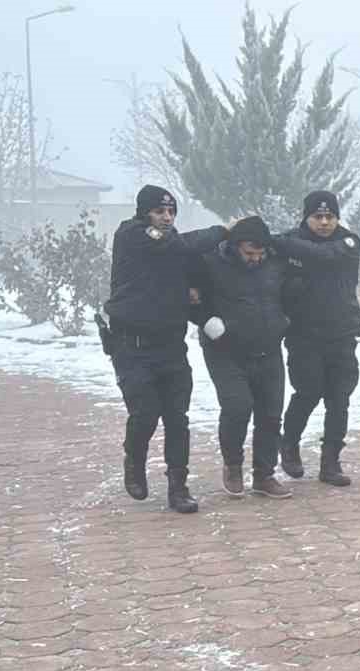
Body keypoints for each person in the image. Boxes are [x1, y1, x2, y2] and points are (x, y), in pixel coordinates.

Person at [102, 185, 226, 513]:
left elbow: (194, 281)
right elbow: (181, 244)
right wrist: (223, 231)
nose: (167, 217)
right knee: (144, 413)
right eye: (160, 211)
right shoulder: (133, 235)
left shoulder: (176, 252)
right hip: (132, 347)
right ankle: (134, 462)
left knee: (177, 418)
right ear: (145, 212)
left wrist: (199, 303)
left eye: (171, 212)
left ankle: (178, 486)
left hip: (170, 346)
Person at [195, 216, 294, 500]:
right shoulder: (211, 263)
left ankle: (264, 475)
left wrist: (285, 320)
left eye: (260, 253)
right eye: (249, 253)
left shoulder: (276, 262)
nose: (255, 259)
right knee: (238, 406)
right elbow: (188, 296)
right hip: (225, 349)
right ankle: (233, 465)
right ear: (235, 246)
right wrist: (207, 322)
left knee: (271, 413)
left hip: (268, 345)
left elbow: (290, 291)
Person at [279, 190, 360, 487]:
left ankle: (331, 463)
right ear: (306, 217)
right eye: (318, 216)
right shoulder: (289, 241)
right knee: (308, 392)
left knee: (339, 399)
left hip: (341, 332)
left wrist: (287, 244)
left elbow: (322, 255)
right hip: (304, 335)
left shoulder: (350, 241)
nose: (325, 222)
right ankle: (288, 445)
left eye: (330, 216)